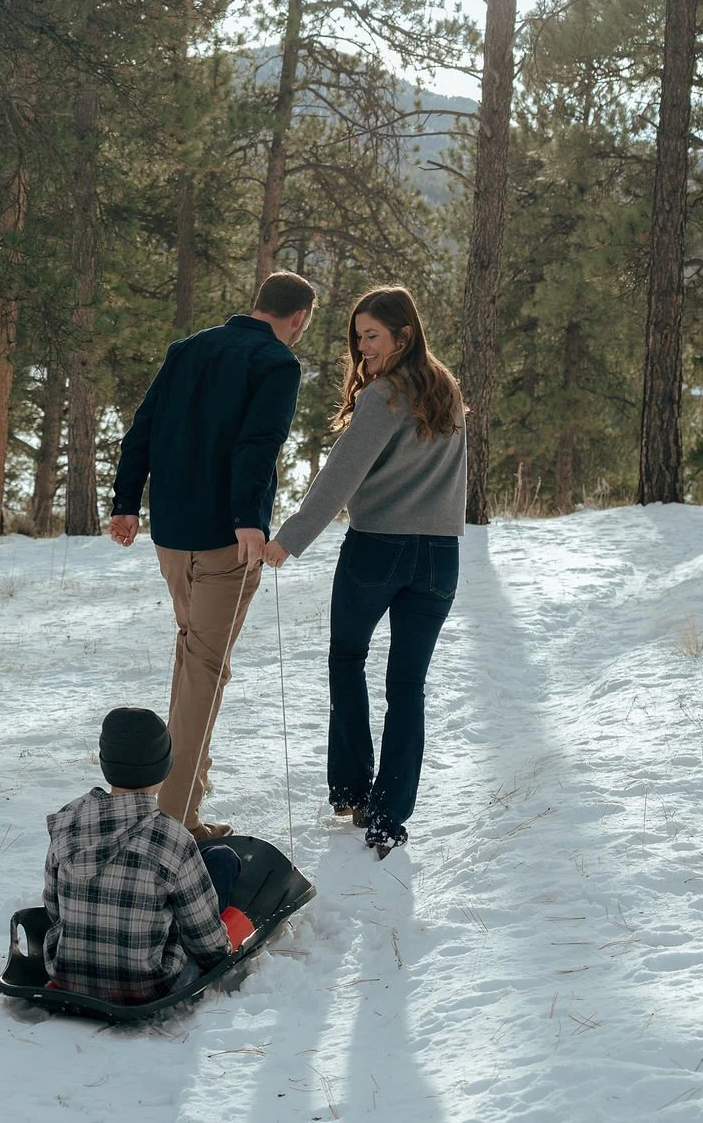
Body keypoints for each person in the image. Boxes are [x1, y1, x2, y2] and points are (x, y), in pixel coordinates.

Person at [109, 271, 316, 842]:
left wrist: (126, 502)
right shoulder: (278, 363)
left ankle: (182, 801)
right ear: (298, 318)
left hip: (170, 534)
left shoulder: (189, 348)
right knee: (203, 669)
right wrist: (250, 518)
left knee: (191, 658)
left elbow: (142, 429)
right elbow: (259, 443)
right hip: (228, 538)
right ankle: (173, 821)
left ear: (257, 304)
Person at [264, 286, 466, 858]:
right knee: (408, 687)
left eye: (372, 336)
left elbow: (339, 478)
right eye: (357, 338)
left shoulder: (384, 396)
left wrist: (289, 540)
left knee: (347, 657)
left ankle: (354, 790)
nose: (362, 348)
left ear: (404, 335)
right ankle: (389, 817)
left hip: (379, 548)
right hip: (440, 557)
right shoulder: (445, 390)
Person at [43, 707, 254, 1003]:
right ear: (164, 768)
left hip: (67, 975)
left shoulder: (68, 821)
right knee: (221, 859)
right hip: (149, 985)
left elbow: (54, 909)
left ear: (105, 763)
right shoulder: (173, 839)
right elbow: (208, 945)